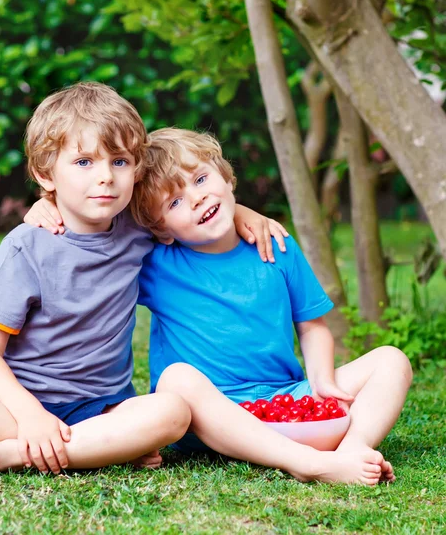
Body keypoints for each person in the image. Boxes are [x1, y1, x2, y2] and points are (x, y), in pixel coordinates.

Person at [0, 83, 285, 482]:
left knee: (172, 412)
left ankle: (14, 454)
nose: (105, 177)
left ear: (136, 169)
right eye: (84, 162)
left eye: (120, 162)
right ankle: (94, 448)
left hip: (103, 407)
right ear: (44, 173)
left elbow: (188, 204)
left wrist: (243, 212)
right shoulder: (26, 246)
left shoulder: (138, 227)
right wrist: (32, 415)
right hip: (14, 404)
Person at [130, 128, 413, 485]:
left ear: (227, 178)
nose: (197, 198)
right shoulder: (155, 262)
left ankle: (352, 449)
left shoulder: (276, 245)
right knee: (176, 379)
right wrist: (46, 206)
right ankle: (309, 463)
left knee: (391, 360)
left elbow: (312, 327)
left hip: (285, 402)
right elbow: (105, 229)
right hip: (206, 418)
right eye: (174, 202)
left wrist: (323, 380)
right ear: (161, 228)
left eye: (201, 179)